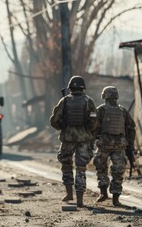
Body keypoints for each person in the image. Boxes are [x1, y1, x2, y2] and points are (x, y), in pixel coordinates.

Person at [49, 75, 97, 207]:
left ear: (70, 87)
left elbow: (53, 120)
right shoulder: (89, 101)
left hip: (67, 139)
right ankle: (80, 200)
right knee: (81, 168)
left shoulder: (64, 101)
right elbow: (94, 121)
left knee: (66, 165)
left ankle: (69, 194)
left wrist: (62, 128)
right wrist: (88, 130)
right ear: (83, 87)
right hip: (83, 139)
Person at [93, 86, 136, 206]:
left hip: (104, 144)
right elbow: (131, 127)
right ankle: (115, 199)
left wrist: (92, 140)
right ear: (116, 96)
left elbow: (94, 127)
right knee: (118, 171)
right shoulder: (122, 110)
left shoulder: (101, 109)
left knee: (101, 167)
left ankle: (103, 193)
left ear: (104, 96)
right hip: (119, 144)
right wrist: (130, 145)